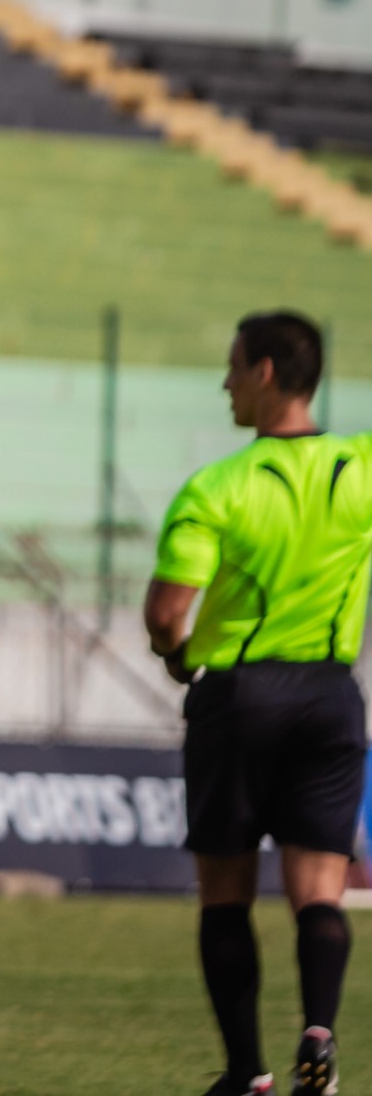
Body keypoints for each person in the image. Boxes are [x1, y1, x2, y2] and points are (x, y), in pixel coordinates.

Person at [144, 310, 369, 1096]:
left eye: (234, 366)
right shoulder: (362, 467)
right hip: (332, 696)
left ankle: (248, 1074)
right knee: (319, 892)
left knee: (226, 894)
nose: (226, 382)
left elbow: (169, 610)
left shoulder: (218, 487)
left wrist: (177, 658)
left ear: (267, 372)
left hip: (239, 696)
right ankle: (320, 1035)